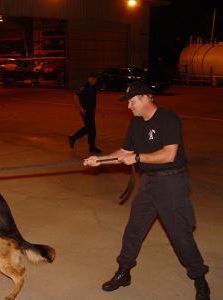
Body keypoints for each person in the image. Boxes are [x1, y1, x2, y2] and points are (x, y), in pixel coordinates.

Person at [83, 81, 210, 300]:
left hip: (172, 183)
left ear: (145, 98)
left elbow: (169, 154)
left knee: (180, 235)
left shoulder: (168, 118)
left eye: (131, 101)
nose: (129, 106)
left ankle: (199, 278)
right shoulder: (135, 125)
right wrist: (100, 160)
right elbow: (125, 151)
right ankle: (124, 272)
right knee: (134, 229)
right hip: (149, 183)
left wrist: (138, 157)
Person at [68, 72, 102, 154]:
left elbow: (92, 99)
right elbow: (75, 96)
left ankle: (73, 138)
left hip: (91, 111)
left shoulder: (94, 87)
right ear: (89, 78)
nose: (95, 80)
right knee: (91, 129)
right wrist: (81, 108)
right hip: (85, 111)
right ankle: (91, 147)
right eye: (93, 78)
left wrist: (97, 110)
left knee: (89, 128)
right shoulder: (85, 87)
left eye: (96, 79)